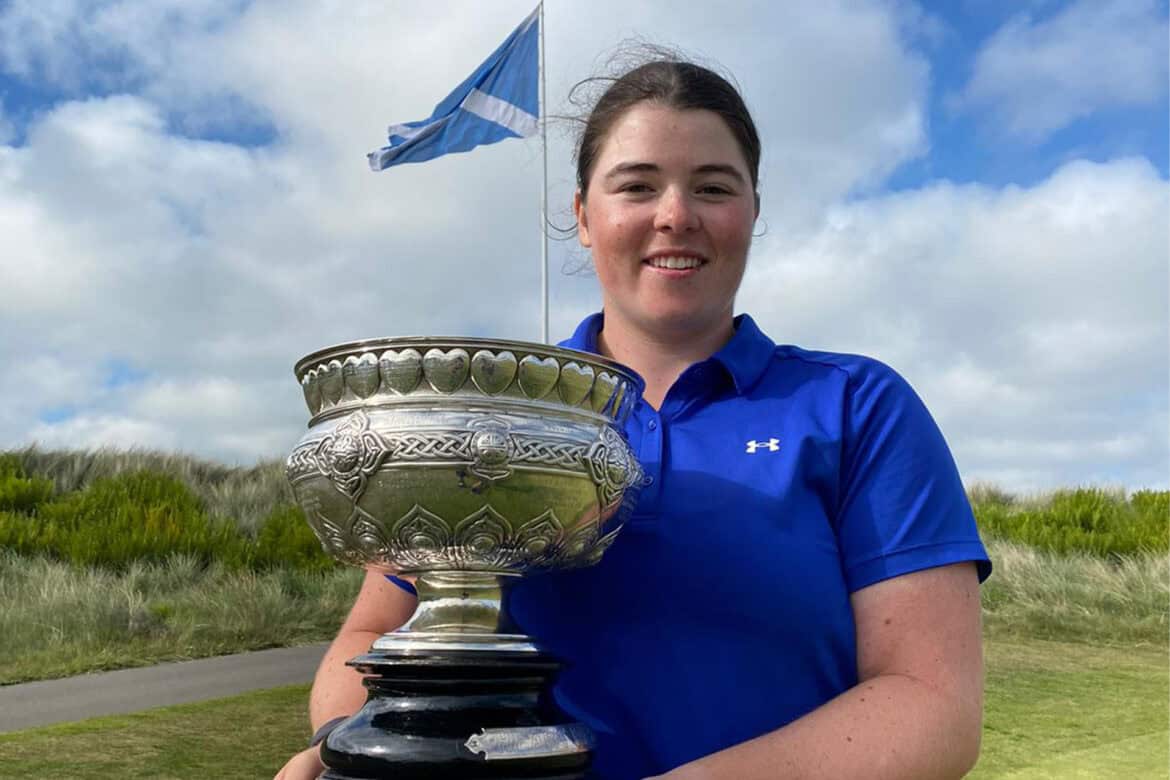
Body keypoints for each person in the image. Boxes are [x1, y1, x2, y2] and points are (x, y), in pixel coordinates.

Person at [276, 55, 991, 780]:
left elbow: (930, 702)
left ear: (752, 211)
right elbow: (372, 635)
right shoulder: (488, 414)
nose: (676, 215)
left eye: (713, 187)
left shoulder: (858, 406)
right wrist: (344, 744)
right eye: (637, 186)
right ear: (584, 216)